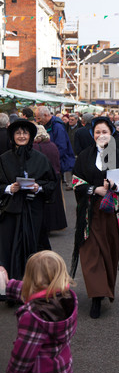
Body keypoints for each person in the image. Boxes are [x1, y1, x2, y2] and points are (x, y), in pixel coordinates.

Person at [70, 116, 119, 319]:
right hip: (89, 214)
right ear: (92, 134)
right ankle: (96, 297)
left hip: (112, 214)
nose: (101, 135)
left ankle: (105, 288)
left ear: (111, 133)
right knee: (90, 253)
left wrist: (116, 187)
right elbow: (75, 181)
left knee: (109, 253)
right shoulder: (84, 156)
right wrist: (93, 189)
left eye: (104, 131)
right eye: (97, 132)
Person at [1, 250, 78, 373]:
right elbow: (34, 291)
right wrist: (8, 285)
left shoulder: (33, 317)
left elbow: (22, 359)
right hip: (62, 371)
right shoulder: (67, 298)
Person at [0, 120, 57, 281]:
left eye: (25, 133)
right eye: (18, 133)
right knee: (9, 249)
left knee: (35, 248)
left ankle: (35, 286)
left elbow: (52, 183)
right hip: (11, 213)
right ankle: (12, 286)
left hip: (34, 211)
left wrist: (38, 187)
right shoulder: (3, 159)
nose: (22, 136)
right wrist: (8, 189)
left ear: (31, 135)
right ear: (12, 136)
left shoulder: (41, 158)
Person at [33, 125, 67, 233]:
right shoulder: (52, 145)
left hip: (42, 178)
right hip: (55, 175)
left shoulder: (35, 147)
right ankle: (54, 225)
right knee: (54, 204)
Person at [35, 106, 75, 191]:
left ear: (45, 115)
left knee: (56, 190)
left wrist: (53, 161)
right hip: (53, 163)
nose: (37, 121)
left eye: (39, 118)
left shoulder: (57, 126)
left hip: (57, 164)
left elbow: (61, 147)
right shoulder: (50, 125)